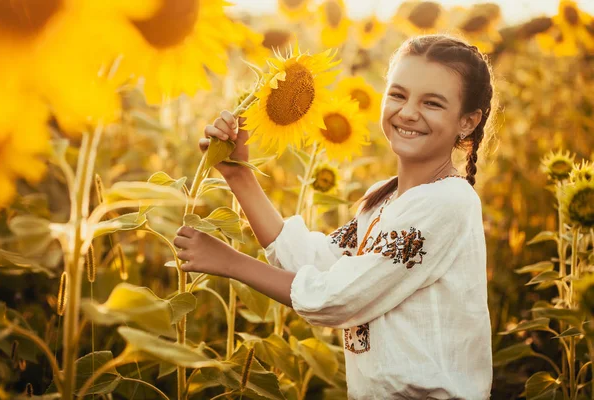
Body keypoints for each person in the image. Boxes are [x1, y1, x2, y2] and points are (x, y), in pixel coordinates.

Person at [173, 34, 494, 399]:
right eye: (398, 94)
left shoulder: (448, 202)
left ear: (467, 121)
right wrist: (238, 174)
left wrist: (231, 262)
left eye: (432, 103)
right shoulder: (385, 200)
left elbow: (335, 298)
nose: (407, 112)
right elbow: (316, 263)